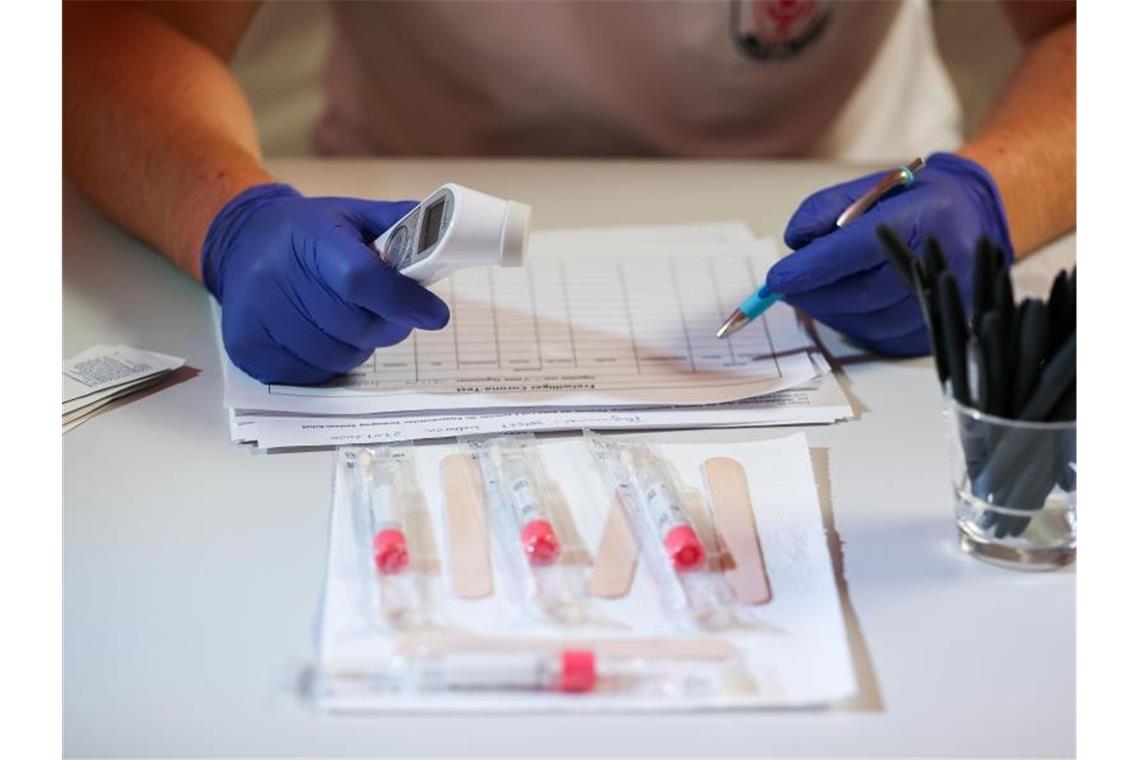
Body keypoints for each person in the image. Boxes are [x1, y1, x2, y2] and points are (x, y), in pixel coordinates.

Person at [63, 1, 1075, 385]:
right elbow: (111, 27)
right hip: (383, 219)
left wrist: (992, 197)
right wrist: (229, 218)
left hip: (857, 218)